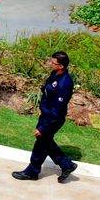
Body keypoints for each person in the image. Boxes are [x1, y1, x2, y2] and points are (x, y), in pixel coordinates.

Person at [13, 52, 78, 183]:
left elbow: (57, 110)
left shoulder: (65, 83)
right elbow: (49, 93)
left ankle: (32, 171)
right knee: (45, 142)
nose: (50, 64)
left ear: (61, 66)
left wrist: (43, 127)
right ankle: (66, 165)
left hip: (52, 119)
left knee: (41, 142)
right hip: (46, 115)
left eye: (53, 63)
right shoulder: (55, 74)